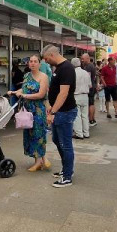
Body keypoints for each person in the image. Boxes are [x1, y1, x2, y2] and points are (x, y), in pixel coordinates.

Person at [43, 45, 77, 187]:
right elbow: (57, 92)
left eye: (46, 58)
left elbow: (63, 94)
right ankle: (66, 169)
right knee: (57, 140)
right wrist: (51, 106)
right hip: (59, 111)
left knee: (65, 144)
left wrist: (53, 112)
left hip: (65, 112)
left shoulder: (67, 68)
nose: (45, 61)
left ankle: (67, 176)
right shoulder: (59, 68)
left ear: (51, 55)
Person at [9, 55, 50, 171]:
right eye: (30, 61)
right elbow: (24, 89)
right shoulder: (26, 76)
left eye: (35, 61)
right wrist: (14, 92)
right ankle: (41, 159)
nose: (32, 63)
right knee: (30, 135)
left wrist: (25, 95)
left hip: (38, 110)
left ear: (39, 64)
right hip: (27, 110)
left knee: (39, 134)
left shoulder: (44, 77)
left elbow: (41, 94)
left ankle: (38, 162)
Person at [71, 57, 91, 139]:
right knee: (85, 115)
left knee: (77, 115)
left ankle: (79, 133)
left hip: (76, 96)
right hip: (85, 96)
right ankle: (86, 133)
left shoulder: (73, 73)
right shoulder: (86, 73)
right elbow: (90, 85)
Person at [80, 53, 98, 126]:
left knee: (90, 104)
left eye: (83, 59)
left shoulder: (89, 67)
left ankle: (91, 120)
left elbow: (87, 77)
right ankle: (92, 119)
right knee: (91, 103)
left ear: (88, 58)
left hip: (89, 87)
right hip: (92, 86)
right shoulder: (91, 66)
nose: (82, 60)